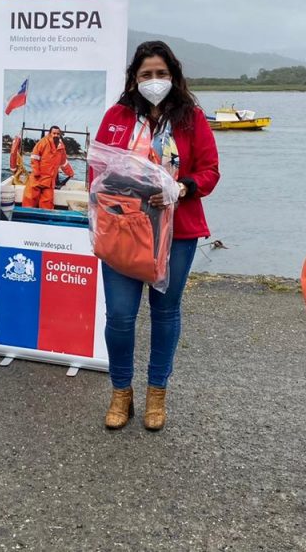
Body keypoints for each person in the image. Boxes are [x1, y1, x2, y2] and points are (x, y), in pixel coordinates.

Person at [93, 40, 220, 431]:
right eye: (146, 74)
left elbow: (210, 171)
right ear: (134, 78)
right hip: (123, 228)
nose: (154, 81)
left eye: (161, 74)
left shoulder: (191, 118)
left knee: (165, 312)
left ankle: (156, 392)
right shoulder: (116, 116)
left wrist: (181, 187)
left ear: (174, 77)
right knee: (119, 315)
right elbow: (97, 168)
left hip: (177, 231)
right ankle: (120, 392)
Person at [22, 125, 75, 209]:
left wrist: (70, 172)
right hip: (37, 178)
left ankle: (44, 218)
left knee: (47, 204)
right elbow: (34, 156)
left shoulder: (61, 147)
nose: (56, 135)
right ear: (49, 133)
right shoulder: (43, 142)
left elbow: (64, 162)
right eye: (54, 133)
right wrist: (36, 171)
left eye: (58, 134)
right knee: (30, 200)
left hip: (50, 181)